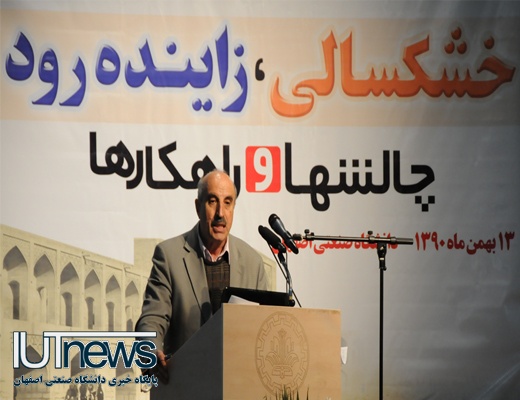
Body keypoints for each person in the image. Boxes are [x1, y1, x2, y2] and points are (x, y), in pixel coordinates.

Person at [135, 169, 268, 383]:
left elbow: (265, 328)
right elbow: (152, 319)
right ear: (198, 207)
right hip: (185, 385)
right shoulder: (169, 256)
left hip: (238, 386)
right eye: (212, 201)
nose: (220, 213)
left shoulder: (253, 263)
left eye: (227, 203)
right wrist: (151, 352)